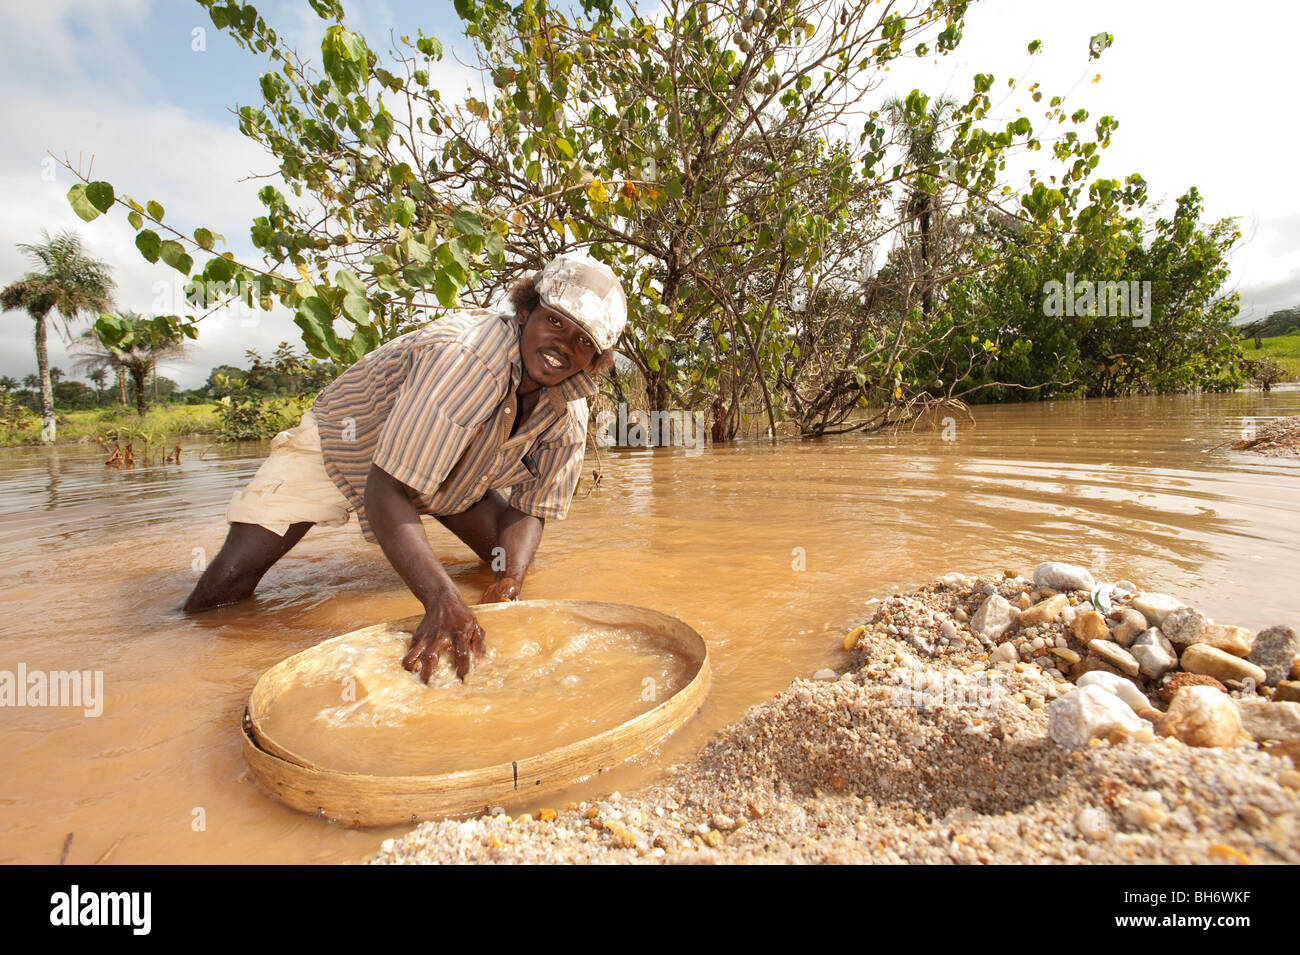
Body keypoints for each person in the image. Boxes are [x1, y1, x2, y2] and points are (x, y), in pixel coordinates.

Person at [183, 252, 627, 683]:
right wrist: (439, 601)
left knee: (500, 567)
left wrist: (508, 584)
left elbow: (531, 508)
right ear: (527, 310)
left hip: (450, 470)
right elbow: (387, 488)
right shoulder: (468, 358)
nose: (563, 346)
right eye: (554, 321)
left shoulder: (571, 406)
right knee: (225, 588)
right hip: (346, 442)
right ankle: (182, 646)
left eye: (584, 341)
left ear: (597, 357)